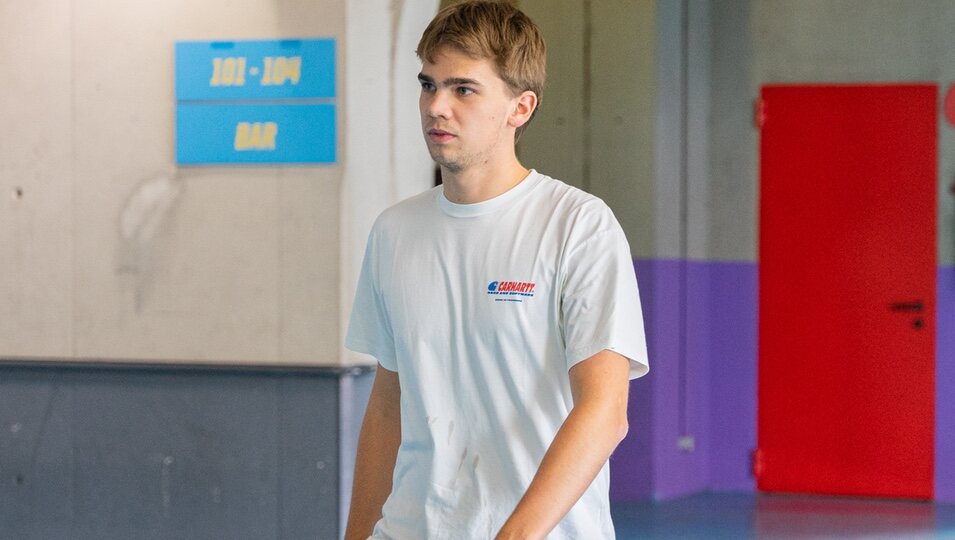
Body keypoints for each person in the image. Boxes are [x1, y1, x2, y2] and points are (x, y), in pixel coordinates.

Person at [344, 2, 649, 538]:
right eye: (428, 84)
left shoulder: (577, 226)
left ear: (520, 108)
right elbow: (388, 407)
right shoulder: (394, 232)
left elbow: (604, 411)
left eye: (463, 89)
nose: (437, 106)